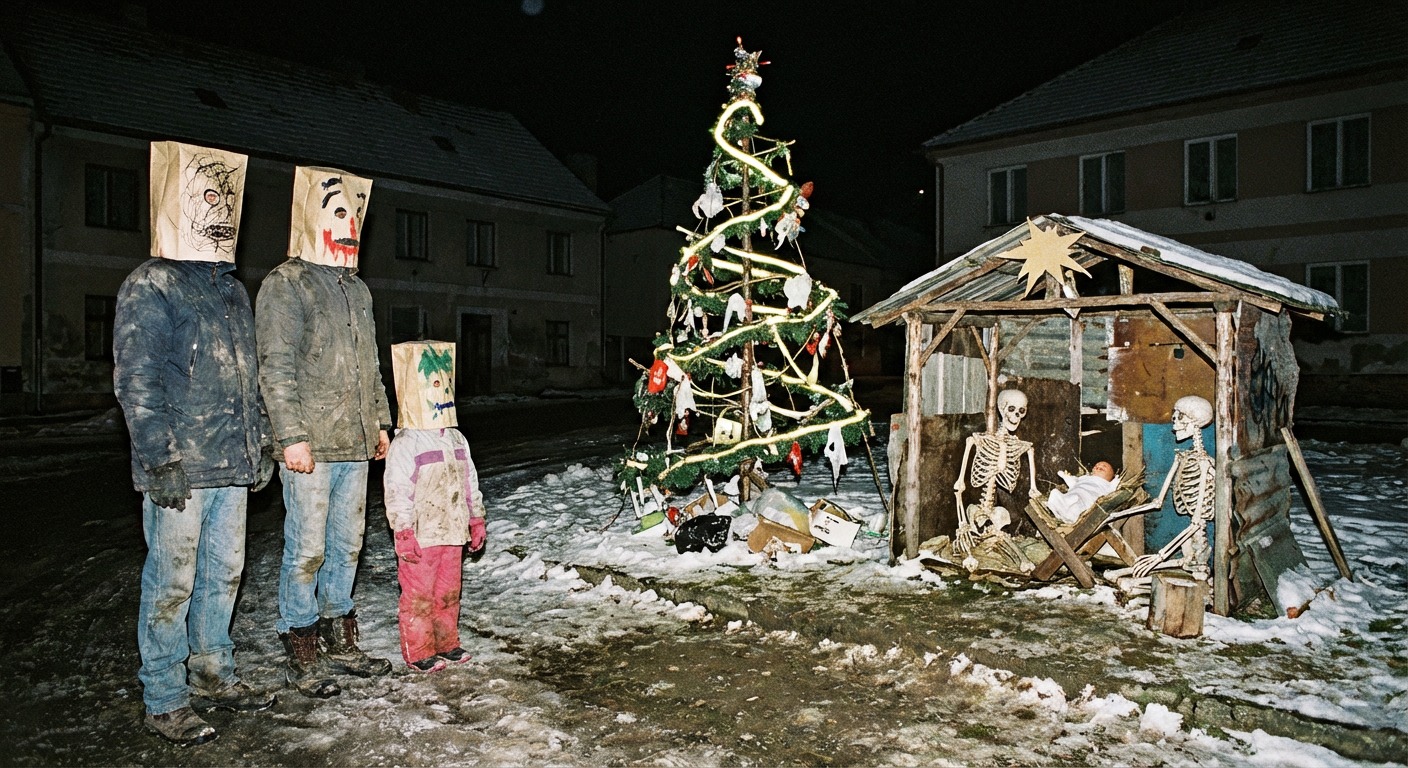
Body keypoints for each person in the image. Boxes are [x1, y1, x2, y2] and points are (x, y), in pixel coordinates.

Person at [114, 141, 276, 746]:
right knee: (172, 582)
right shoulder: (151, 283)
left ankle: (213, 672)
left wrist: (260, 443)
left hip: (230, 463)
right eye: (208, 197)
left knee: (224, 573)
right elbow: (137, 381)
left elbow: (248, 376)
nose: (221, 210)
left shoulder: (233, 292)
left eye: (228, 199)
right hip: (181, 466)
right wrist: (159, 459)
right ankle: (164, 697)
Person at [256, 166, 393, 698]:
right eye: (339, 212)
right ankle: (301, 643)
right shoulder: (286, 284)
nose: (351, 222)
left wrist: (380, 421)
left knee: (348, 544)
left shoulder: (357, 289)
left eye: (355, 212)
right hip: (310, 444)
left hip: (353, 443)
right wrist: (290, 436)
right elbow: (275, 366)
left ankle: (341, 637)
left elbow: (370, 364)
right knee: (307, 548)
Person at [383, 341, 487, 672]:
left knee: (448, 591)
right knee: (419, 595)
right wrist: (403, 530)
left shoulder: (456, 439)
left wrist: (476, 518)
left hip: (452, 531)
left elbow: (469, 482)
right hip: (422, 534)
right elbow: (397, 490)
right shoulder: (407, 442)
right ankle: (419, 650)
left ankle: (447, 642)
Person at [1045, 461, 1119, 523]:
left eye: (1104, 466)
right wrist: (1066, 476)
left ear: (1111, 475)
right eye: (1096, 465)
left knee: (1077, 505)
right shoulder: (1084, 478)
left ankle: (1069, 516)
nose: (1099, 466)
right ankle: (1056, 510)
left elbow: (1114, 489)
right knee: (1055, 493)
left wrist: (1116, 479)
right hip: (1076, 492)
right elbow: (1073, 482)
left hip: (1086, 498)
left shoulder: (1108, 484)